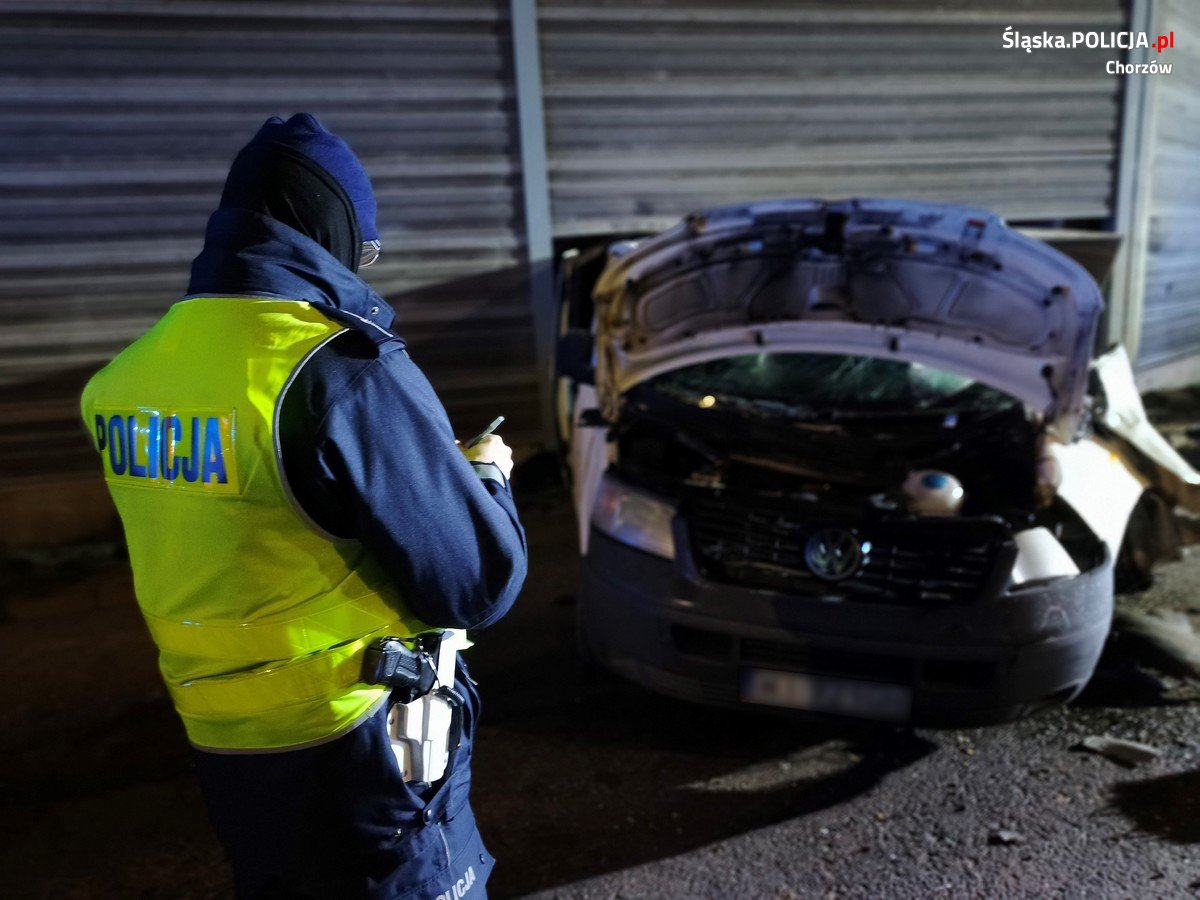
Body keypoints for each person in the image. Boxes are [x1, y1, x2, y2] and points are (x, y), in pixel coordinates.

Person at [80, 113, 527, 898]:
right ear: (331, 230)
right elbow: (476, 582)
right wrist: (486, 480)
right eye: (367, 248)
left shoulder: (130, 377)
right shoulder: (334, 368)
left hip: (223, 750)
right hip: (359, 748)